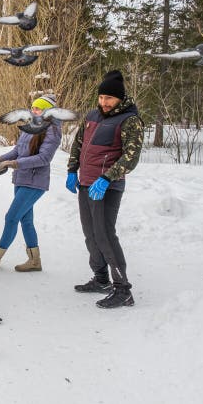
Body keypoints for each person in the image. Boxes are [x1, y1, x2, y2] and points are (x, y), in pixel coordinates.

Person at [66, 70, 143, 309]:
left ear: (120, 98)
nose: (104, 102)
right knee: (90, 234)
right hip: (86, 183)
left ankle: (123, 289)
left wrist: (107, 178)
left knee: (105, 235)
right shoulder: (92, 116)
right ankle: (101, 279)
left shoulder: (130, 120)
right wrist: (71, 169)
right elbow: (78, 144)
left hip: (107, 187)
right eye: (101, 97)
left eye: (109, 98)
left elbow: (131, 156)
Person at [0, 94, 61, 271]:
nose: (34, 111)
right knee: (26, 220)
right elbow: (18, 150)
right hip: (22, 178)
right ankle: (35, 261)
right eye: (33, 108)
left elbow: (44, 158)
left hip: (35, 181)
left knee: (11, 217)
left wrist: (16, 164)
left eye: (39, 109)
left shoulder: (53, 130)